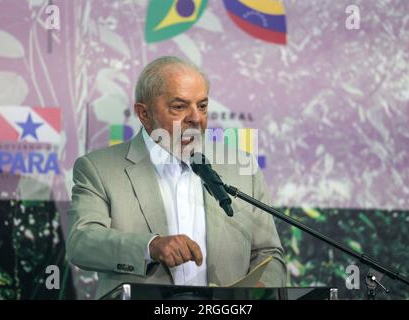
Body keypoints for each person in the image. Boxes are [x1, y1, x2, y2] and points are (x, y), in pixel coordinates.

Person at [66, 56, 287, 299]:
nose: (196, 118)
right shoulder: (99, 168)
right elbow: (82, 243)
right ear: (144, 113)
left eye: (202, 106)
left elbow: (269, 252)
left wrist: (259, 291)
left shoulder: (240, 166)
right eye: (180, 107)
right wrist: (150, 247)